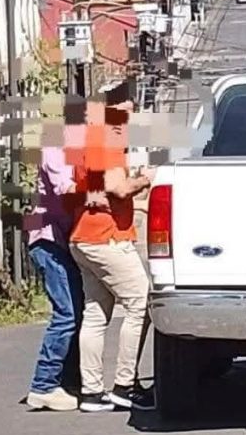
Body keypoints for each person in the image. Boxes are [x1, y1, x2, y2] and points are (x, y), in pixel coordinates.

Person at [69, 88, 156, 412]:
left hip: (84, 236)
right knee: (140, 302)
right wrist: (146, 179)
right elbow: (118, 187)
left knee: (95, 313)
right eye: (122, 112)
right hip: (106, 237)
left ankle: (92, 391)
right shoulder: (106, 142)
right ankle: (125, 385)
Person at [25, 97, 83, 411]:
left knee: (77, 311)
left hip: (60, 240)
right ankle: (44, 384)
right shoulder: (55, 146)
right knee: (67, 313)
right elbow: (66, 188)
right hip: (47, 241)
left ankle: (69, 380)